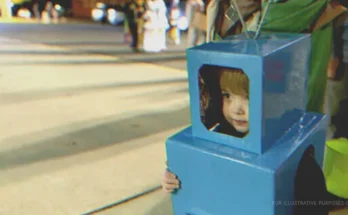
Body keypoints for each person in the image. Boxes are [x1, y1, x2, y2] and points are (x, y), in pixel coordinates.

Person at [162, 66, 249, 193]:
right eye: (227, 95)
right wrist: (169, 177)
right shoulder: (219, 133)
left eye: (248, 98)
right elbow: (188, 165)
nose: (236, 110)